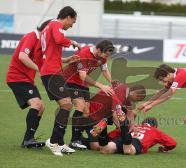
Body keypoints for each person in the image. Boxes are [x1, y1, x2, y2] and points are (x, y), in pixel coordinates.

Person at [40, 6, 81, 156]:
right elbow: (59, 39)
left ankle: (60, 143)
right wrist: (73, 42)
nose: (72, 25)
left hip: (53, 71)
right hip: (51, 73)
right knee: (67, 104)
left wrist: (67, 59)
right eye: (73, 21)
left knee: (67, 105)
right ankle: (53, 142)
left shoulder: (48, 27)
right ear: (68, 17)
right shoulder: (55, 23)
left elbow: (51, 52)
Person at [62, 40, 115, 149]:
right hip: (70, 81)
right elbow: (83, 76)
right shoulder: (84, 54)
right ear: (99, 50)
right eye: (106, 54)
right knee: (80, 106)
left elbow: (104, 70)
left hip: (82, 84)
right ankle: (74, 140)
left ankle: (78, 138)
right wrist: (101, 86)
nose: (106, 57)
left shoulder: (103, 56)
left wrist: (112, 82)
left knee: (86, 111)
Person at [6, 19, 50, 148]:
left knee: (41, 107)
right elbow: (22, 56)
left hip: (27, 79)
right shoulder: (32, 36)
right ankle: (28, 140)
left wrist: (66, 60)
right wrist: (40, 70)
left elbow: (46, 59)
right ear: (47, 30)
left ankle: (28, 140)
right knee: (36, 104)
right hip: (17, 77)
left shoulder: (41, 42)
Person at [70, 82, 146, 151]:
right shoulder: (120, 93)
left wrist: (132, 126)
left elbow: (130, 112)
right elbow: (115, 115)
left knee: (130, 113)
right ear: (134, 93)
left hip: (104, 116)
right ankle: (80, 138)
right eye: (138, 99)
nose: (136, 102)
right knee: (95, 147)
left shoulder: (127, 93)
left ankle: (106, 138)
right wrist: (123, 130)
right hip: (93, 114)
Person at [95, 117, 176, 155]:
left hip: (121, 139)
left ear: (143, 123)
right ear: (155, 126)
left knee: (105, 149)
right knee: (128, 151)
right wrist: (165, 148)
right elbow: (172, 143)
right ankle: (123, 122)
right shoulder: (155, 130)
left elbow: (110, 135)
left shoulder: (134, 126)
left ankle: (104, 127)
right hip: (135, 142)